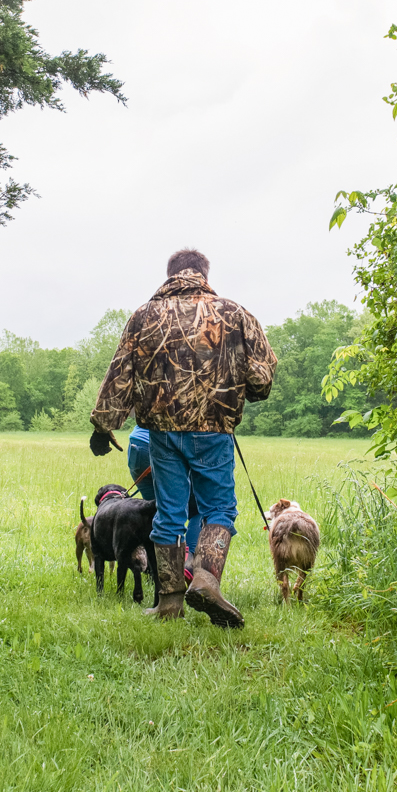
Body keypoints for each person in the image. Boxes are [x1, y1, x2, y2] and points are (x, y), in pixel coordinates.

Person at [88, 248, 276, 626]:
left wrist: (103, 427)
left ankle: (169, 602)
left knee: (169, 512)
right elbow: (261, 378)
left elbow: (120, 375)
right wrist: (237, 390)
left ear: (171, 274)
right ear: (203, 273)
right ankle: (206, 580)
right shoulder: (235, 314)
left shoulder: (142, 316)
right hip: (213, 431)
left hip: (161, 433)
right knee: (218, 509)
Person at [126, 426, 200, 578]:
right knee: (198, 508)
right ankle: (187, 561)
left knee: (155, 510)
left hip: (137, 445)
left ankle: (154, 568)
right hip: (164, 444)